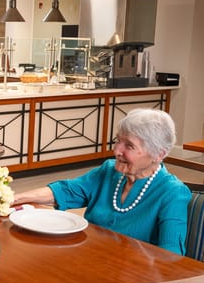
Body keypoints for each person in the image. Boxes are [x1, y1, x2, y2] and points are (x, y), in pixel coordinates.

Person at [12, 108, 191, 255]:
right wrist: (15, 198)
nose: (116, 151)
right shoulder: (109, 171)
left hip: (131, 280)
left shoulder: (172, 192)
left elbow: (171, 256)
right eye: (118, 141)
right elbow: (66, 191)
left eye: (129, 146)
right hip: (88, 261)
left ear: (159, 154)